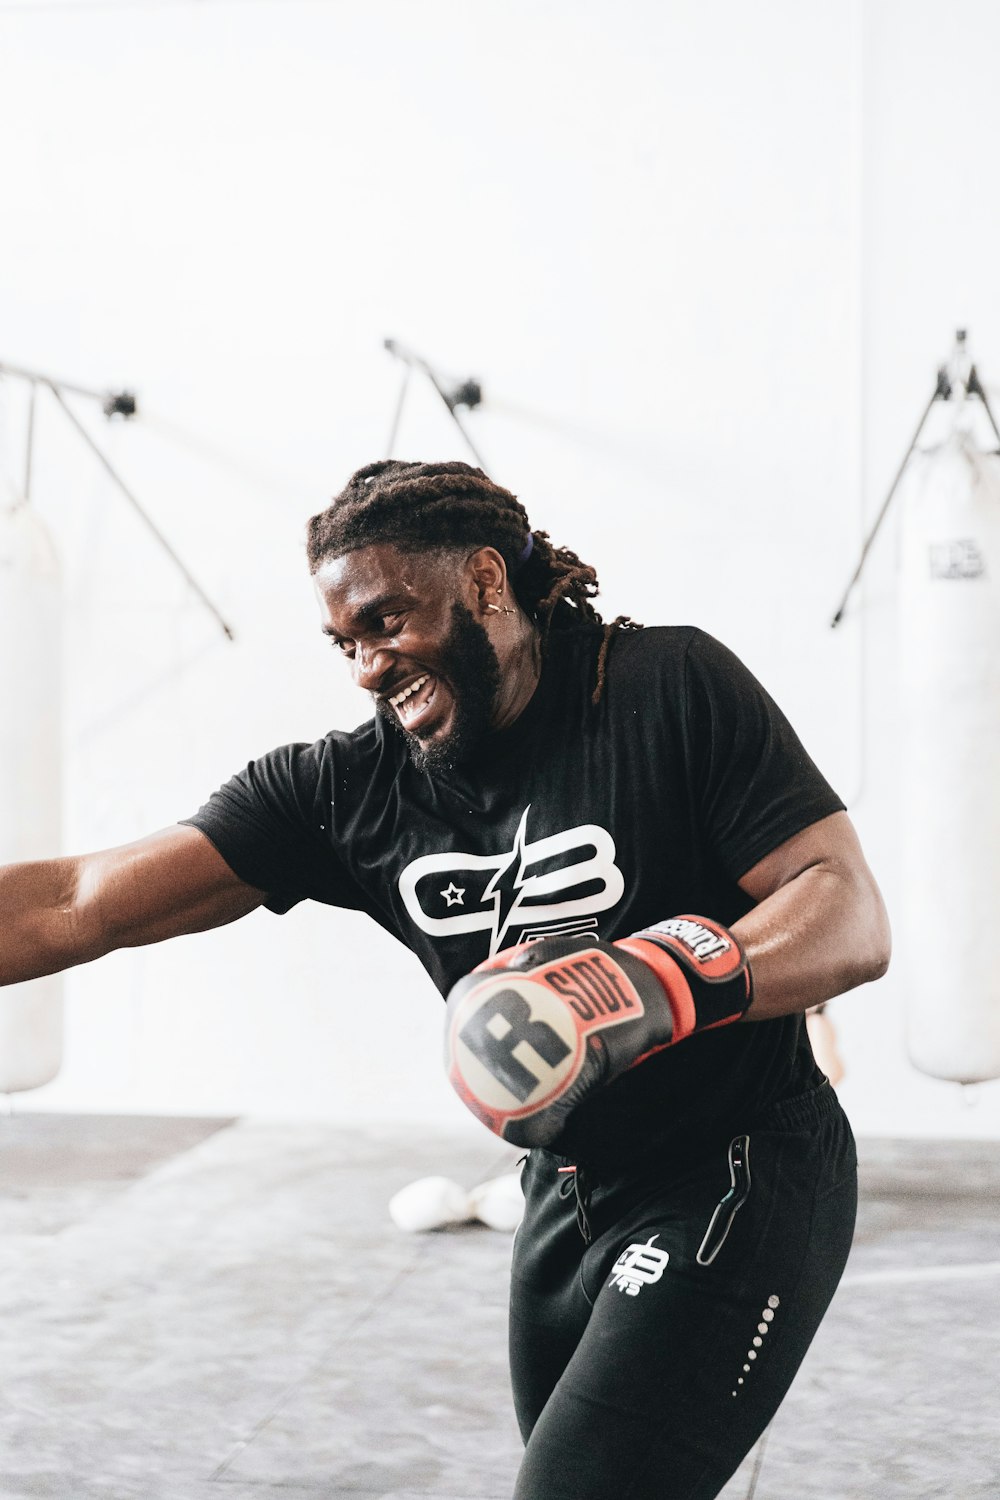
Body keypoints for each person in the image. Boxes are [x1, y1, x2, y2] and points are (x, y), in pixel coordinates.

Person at [0, 459, 890, 1500]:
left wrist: (654, 979)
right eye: (346, 644)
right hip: (562, 1193)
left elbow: (845, 908)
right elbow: (78, 899)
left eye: (386, 621)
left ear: (480, 581)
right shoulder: (347, 791)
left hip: (738, 1168)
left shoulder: (662, 687)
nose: (369, 666)